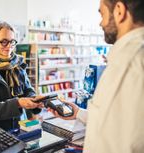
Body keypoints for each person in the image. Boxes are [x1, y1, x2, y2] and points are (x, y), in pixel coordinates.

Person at [50, 0, 144, 152]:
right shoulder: (127, 58)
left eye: (102, 14)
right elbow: (116, 121)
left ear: (119, 11)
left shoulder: (129, 63)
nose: (101, 23)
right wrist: (79, 113)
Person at [0, 21, 43, 132]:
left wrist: (35, 101)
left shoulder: (17, 65)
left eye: (12, 41)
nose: (9, 46)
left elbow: (27, 90)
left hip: (16, 128)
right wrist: (18, 103)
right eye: (4, 42)